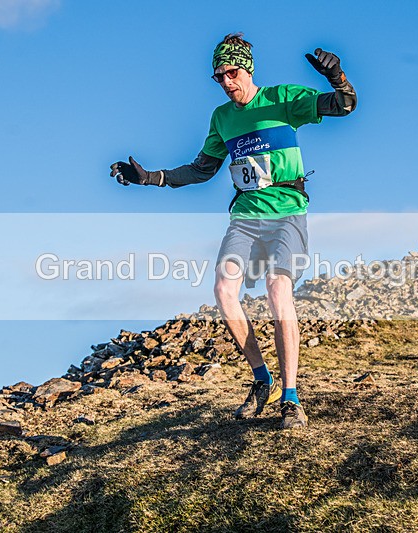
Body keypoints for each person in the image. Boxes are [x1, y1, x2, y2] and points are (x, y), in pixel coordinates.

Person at [110, 33, 356, 429]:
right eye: (219, 76)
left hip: (286, 213)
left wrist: (338, 77)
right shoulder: (222, 118)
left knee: (278, 290)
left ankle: (290, 398)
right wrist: (150, 178)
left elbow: (345, 106)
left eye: (232, 72)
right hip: (244, 216)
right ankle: (263, 380)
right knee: (224, 291)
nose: (226, 82)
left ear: (248, 70)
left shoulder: (284, 99)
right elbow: (201, 169)